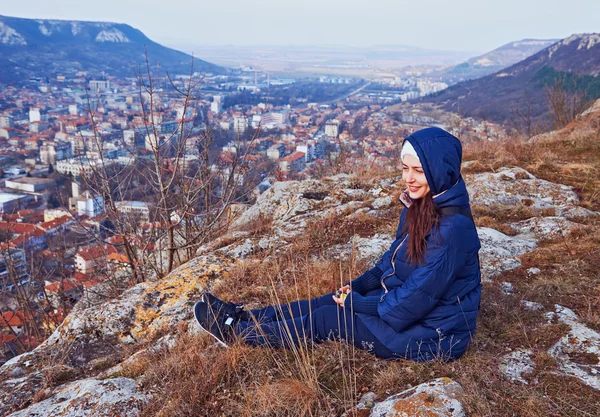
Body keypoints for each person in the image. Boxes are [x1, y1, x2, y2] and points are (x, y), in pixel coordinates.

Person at [194, 127, 481, 361]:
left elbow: (410, 303)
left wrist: (357, 303)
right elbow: (393, 260)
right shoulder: (420, 205)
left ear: (439, 171)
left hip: (433, 336)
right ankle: (243, 317)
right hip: (411, 315)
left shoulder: (454, 230)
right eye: (405, 168)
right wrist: (359, 286)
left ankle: (237, 335)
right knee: (324, 301)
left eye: (418, 171)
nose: (408, 179)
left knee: (325, 318)